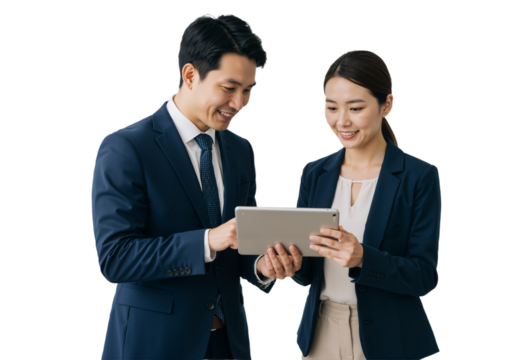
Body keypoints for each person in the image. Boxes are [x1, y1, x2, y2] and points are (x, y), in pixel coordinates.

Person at [91, 13, 275, 359]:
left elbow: (242, 244)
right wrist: (208, 240)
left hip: (228, 345)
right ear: (190, 75)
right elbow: (116, 258)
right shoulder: (126, 148)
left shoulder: (240, 150)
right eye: (229, 88)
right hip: (155, 344)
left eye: (248, 90)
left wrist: (263, 266)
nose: (239, 103)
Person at [256, 49, 442, 359]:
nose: (342, 121)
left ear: (387, 104)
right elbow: (308, 274)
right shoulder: (315, 173)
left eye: (356, 108)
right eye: (331, 107)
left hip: (390, 338)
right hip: (322, 332)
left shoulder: (419, 176)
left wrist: (362, 258)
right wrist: (289, 263)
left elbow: (424, 276)